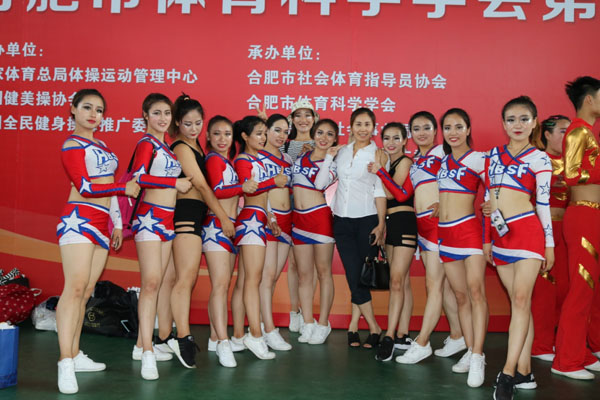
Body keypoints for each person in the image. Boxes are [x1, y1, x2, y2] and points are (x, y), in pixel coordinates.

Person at [56, 89, 140, 394]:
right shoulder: (72, 144)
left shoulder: (101, 145)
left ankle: (75, 353)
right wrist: (122, 188)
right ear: (73, 109)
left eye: (100, 110)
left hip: (103, 224)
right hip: (79, 218)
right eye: (87, 107)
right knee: (75, 288)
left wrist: (117, 223)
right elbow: (86, 187)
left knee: (86, 292)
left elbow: (110, 187)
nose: (94, 114)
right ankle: (65, 362)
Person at [484, 96, 554, 399]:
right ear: (503, 123)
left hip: (528, 235)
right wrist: (487, 238)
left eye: (524, 119)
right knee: (518, 304)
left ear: (534, 122)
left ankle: (508, 372)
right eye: (511, 119)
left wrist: (549, 245)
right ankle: (525, 371)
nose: (517, 125)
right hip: (501, 238)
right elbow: (488, 198)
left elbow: (543, 204)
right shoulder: (492, 155)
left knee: (522, 299)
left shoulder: (540, 158)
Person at [165, 94, 236, 368]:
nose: (193, 128)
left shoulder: (196, 147)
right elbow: (203, 186)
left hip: (195, 216)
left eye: (198, 123)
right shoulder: (181, 146)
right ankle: (183, 337)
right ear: (177, 123)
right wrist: (224, 218)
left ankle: (168, 336)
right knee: (185, 279)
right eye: (187, 123)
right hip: (185, 214)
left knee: (181, 278)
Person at [389, 111, 464, 362]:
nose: (421, 133)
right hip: (421, 227)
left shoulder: (444, 152)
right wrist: (380, 172)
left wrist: (446, 200)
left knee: (435, 285)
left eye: (427, 128)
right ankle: (458, 336)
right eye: (416, 129)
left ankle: (422, 342)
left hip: (438, 226)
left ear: (435, 131)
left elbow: (463, 178)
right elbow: (402, 195)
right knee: (444, 287)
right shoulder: (417, 160)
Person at [130, 93, 192, 380]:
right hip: (150, 219)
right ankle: (147, 351)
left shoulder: (165, 146)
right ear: (145, 115)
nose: (163, 118)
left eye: (167, 113)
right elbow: (139, 177)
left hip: (167, 220)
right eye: (157, 113)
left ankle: (141, 344)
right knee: (152, 283)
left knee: (160, 282)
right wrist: (174, 183)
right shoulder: (146, 143)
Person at [552, 76, 600, 381]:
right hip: (582, 214)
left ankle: (581, 351)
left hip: (591, 215)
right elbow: (571, 175)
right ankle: (566, 361)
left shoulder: (588, 132)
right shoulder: (579, 131)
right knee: (581, 289)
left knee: (590, 290)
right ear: (590, 99)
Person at [203, 115, 256, 367]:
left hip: (229, 227)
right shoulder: (213, 159)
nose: (222, 139)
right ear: (208, 137)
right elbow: (217, 191)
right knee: (220, 286)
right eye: (217, 134)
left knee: (223, 286)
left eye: (227, 134)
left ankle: (215, 337)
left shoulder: (228, 162)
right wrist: (243, 187)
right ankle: (223, 342)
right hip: (217, 226)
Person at [233, 115, 287, 360]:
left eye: (265, 133)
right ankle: (255, 334)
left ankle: (239, 336)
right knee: (252, 281)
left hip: (259, 219)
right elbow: (249, 187)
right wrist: (273, 181)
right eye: (258, 133)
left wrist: (272, 218)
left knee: (246, 281)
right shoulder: (243, 160)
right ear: (245, 136)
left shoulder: (255, 159)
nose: (263, 138)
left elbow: (262, 198)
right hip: (251, 221)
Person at [332, 107, 384, 349]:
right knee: (353, 274)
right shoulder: (341, 152)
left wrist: (381, 223)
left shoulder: (378, 154)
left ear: (374, 128)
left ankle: (356, 325)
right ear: (351, 126)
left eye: (367, 124)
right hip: (341, 220)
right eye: (358, 124)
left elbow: (380, 190)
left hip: (367, 219)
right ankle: (373, 326)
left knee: (359, 275)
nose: (363, 129)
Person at [367, 122, 417, 361]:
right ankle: (403, 334)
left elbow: (395, 193)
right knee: (402, 282)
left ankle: (389, 336)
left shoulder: (405, 162)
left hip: (405, 222)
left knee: (396, 280)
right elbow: (386, 193)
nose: (391, 143)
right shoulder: (387, 163)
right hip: (389, 224)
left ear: (405, 140)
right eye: (386, 138)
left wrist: (379, 172)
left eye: (396, 138)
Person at [292, 118, 339, 344]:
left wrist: (328, 157)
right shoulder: (301, 157)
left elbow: (320, 185)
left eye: (330, 134)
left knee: (323, 272)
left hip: (319, 220)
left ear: (335, 139)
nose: (323, 138)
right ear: (313, 134)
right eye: (320, 132)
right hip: (298, 221)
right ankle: (308, 322)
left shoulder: (334, 164)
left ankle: (323, 323)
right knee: (304, 275)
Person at [530, 115, 571, 362]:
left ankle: (561, 341)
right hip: (543, 231)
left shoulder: (573, 163)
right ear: (547, 134)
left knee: (565, 288)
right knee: (544, 290)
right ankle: (541, 344)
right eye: (563, 131)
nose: (568, 136)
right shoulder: (537, 160)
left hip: (568, 232)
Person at [281, 100, 319, 331]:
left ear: (314, 118)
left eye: (308, 115)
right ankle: (294, 311)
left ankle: (307, 313)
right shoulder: (284, 146)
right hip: (288, 205)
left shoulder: (321, 143)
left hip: (312, 207)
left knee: (309, 265)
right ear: (291, 120)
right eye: (298, 115)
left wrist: (313, 155)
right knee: (294, 263)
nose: (303, 120)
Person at [258, 114, 294, 351]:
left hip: (287, 220)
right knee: (267, 275)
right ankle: (268, 329)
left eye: (285, 131)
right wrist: (268, 214)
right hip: (267, 219)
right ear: (266, 131)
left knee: (273, 277)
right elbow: (257, 189)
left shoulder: (288, 158)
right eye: (277, 130)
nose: (281, 135)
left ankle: (262, 325)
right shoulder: (258, 156)